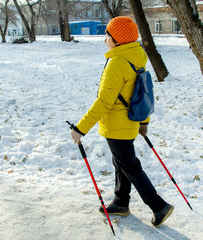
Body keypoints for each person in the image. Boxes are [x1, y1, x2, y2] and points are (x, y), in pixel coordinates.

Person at [70, 16, 174, 228]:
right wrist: (143, 120)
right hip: (130, 122)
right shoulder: (136, 56)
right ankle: (120, 202)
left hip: (118, 125)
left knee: (129, 166)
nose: (105, 40)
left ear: (117, 39)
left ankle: (158, 206)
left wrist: (81, 128)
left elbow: (104, 102)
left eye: (107, 35)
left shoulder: (117, 62)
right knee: (122, 163)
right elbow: (143, 91)